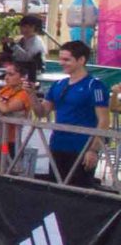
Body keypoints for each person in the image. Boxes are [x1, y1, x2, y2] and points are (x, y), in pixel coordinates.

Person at [44, 40, 111, 187]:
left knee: (79, 191)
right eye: (60, 59)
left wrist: (93, 149)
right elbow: (42, 111)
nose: (62, 63)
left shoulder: (94, 86)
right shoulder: (58, 84)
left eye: (67, 59)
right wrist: (30, 94)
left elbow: (104, 120)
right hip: (58, 145)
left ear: (81, 60)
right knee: (55, 188)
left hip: (81, 148)